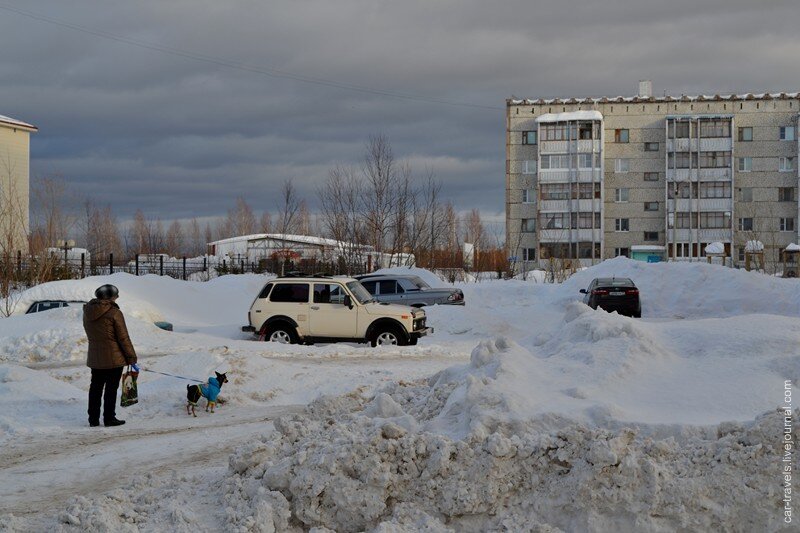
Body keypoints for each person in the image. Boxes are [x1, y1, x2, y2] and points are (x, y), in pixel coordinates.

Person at [83, 284, 137, 427]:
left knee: (95, 388)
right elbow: (123, 338)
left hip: (95, 357)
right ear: (110, 297)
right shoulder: (114, 313)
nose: (117, 298)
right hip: (114, 357)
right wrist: (131, 357)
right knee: (111, 389)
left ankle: (93, 419)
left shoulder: (87, 311)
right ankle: (109, 418)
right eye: (116, 295)